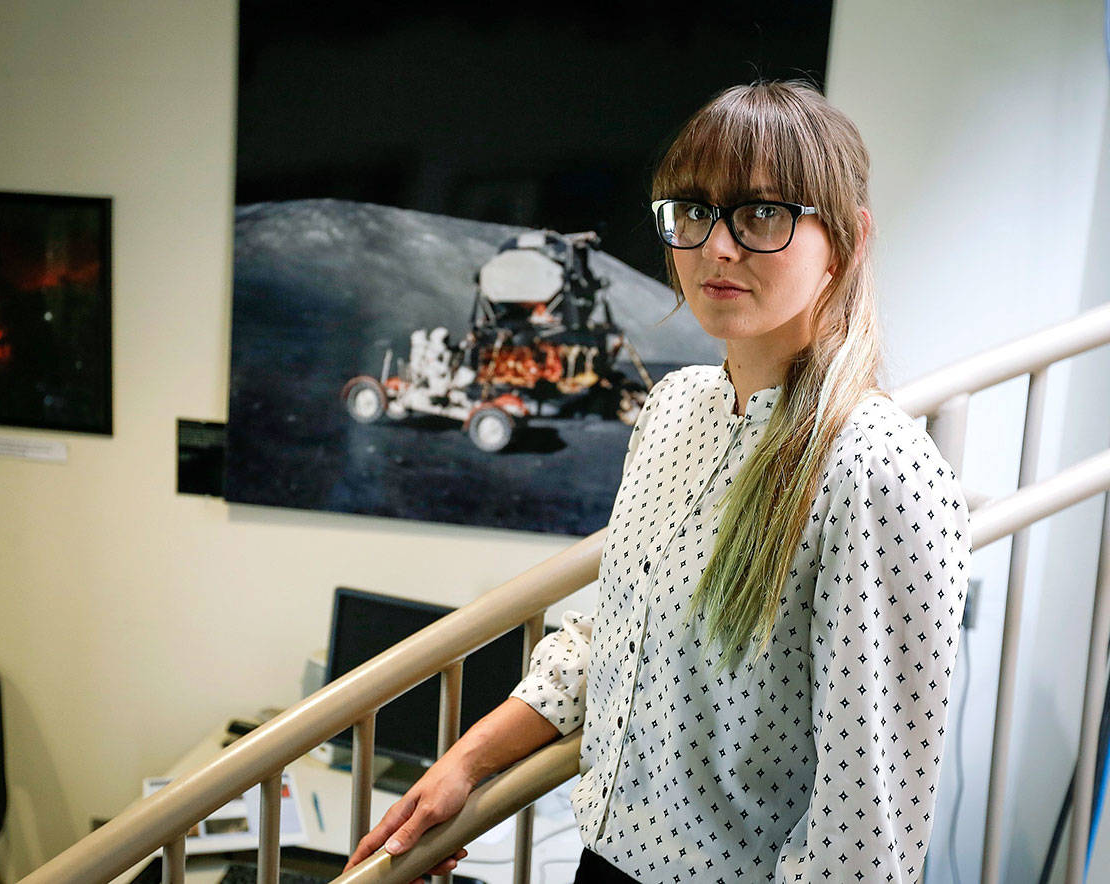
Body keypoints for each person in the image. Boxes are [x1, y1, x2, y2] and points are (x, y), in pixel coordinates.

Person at [345, 79, 973, 883]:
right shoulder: (676, 407)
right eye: (694, 211)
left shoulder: (877, 469)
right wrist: (465, 765)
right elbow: (617, 633)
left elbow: (862, 837)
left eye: (762, 214)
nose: (717, 247)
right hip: (602, 864)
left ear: (845, 242)